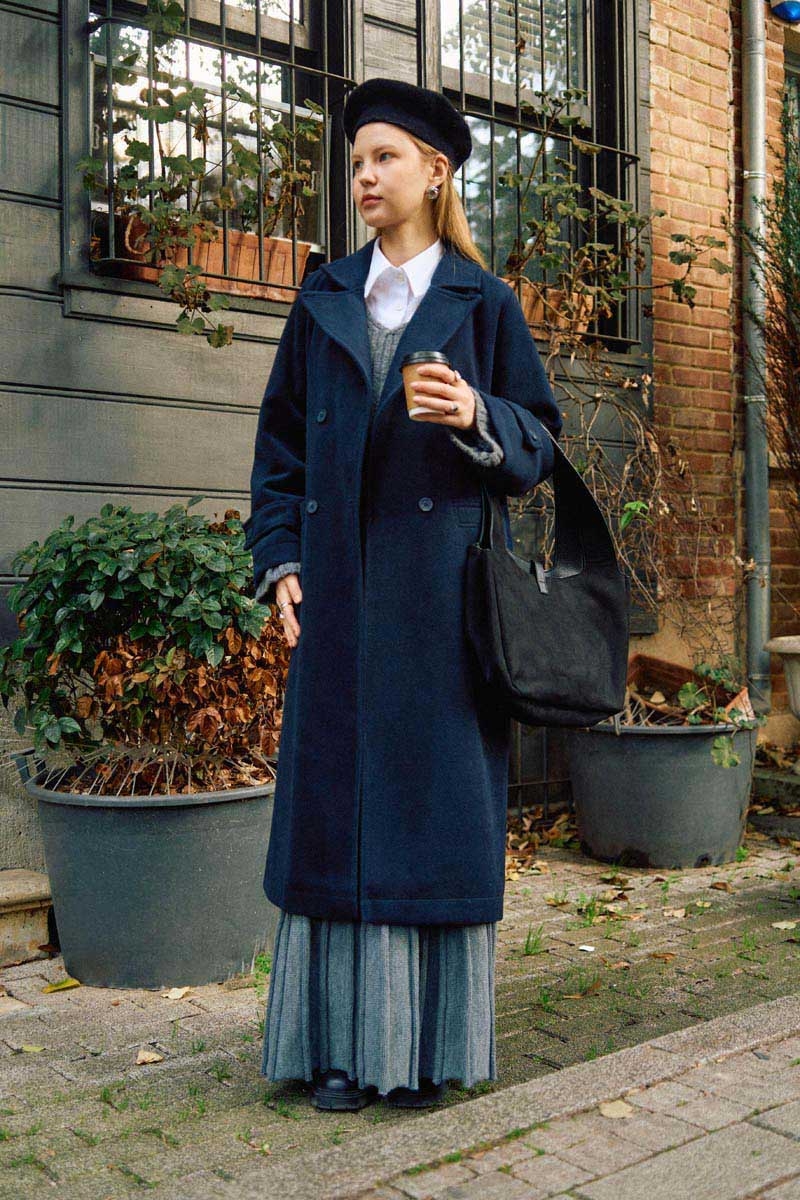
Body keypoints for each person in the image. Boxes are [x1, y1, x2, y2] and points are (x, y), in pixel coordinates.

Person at [243, 76, 563, 1112]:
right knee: (335, 815)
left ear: (435, 172)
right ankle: (334, 1051)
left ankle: (423, 1055)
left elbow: (538, 444)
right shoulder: (323, 297)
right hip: (337, 603)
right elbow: (279, 452)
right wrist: (280, 562)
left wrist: (476, 412)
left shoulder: (484, 302)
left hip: (438, 608)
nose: (365, 177)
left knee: (426, 819)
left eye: (384, 157)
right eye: (356, 163)